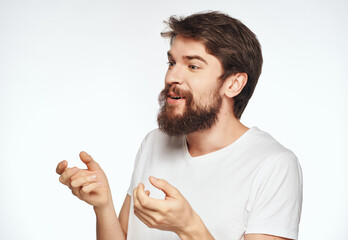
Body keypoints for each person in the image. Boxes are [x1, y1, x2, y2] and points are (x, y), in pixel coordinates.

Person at [56, 11, 303, 240]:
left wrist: (188, 227)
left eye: (193, 66)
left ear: (233, 84)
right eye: (172, 63)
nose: (172, 77)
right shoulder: (154, 142)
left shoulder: (274, 165)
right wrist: (103, 205)